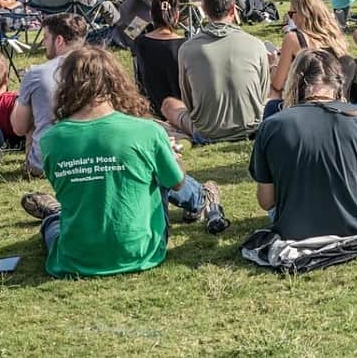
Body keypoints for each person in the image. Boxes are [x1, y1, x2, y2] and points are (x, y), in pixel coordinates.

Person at [18, 47, 227, 279]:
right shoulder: (147, 130)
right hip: (141, 250)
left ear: (66, 85)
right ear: (115, 81)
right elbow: (176, 182)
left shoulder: (50, 139)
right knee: (155, 169)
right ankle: (200, 199)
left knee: (53, 225)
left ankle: (54, 214)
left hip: (74, 257)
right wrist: (168, 155)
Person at [251, 49, 357, 240]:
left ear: (294, 82)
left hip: (291, 226)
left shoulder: (272, 125)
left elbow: (266, 200)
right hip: (351, 223)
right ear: (338, 82)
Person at [163, 0, 269, 143]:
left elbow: (188, 99)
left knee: (169, 104)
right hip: (251, 127)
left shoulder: (188, 48)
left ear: (204, 10)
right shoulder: (255, 44)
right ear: (233, 10)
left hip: (208, 132)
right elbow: (262, 93)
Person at [12, 14, 88, 177]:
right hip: (92, 158)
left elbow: (19, 128)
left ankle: (33, 163)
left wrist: (22, 96)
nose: (43, 43)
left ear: (59, 41)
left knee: (31, 110)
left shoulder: (36, 73)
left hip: (46, 165)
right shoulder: (100, 69)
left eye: (46, 38)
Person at [266, 0, 357, 118]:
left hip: (304, 105)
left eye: (291, 14)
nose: (290, 18)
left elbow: (278, 84)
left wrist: (273, 64)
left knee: (273, 92)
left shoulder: (293, 38)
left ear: (302, 14)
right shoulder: (337, 39)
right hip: (338, 105)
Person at [131, 0, 185, 117]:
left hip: (151, 109)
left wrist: (141, 19)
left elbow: (129, 32)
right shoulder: (184, 44)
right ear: (177, 16)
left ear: (151, 15)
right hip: (180, 110)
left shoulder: (140, 42)